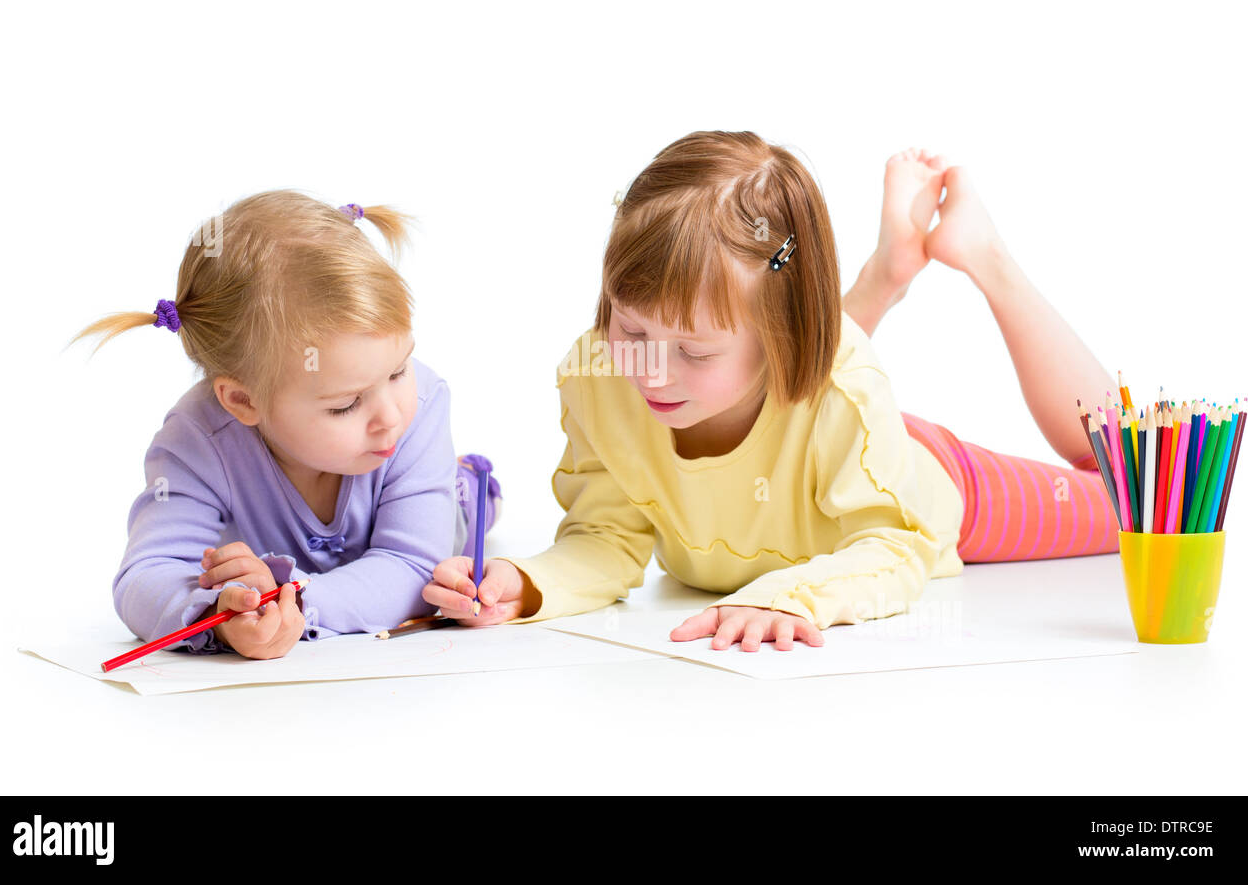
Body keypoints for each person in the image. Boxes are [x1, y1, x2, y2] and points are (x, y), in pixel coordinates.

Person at [422, 131, 1117, 652]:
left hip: (913, 473)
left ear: (781, 337)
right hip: (811, 413)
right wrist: (529, 582)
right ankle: (884, 275)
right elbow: (607, 535)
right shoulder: (598, 376)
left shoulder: (844, 388)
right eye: (629, 329)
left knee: (1133, 493)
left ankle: (984, 257)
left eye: (693, 350)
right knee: (800, 379)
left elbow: (893, 545)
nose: (650, 373)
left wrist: (794, 597)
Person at [72, 192, 500, 659]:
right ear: (242, 400)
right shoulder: (195, 443)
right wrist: (221, 613)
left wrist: (291, 600)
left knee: (465, 511)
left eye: (398, 370)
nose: (391, 417)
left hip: (445, 519)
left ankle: (469, 485)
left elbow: (411, 565)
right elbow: (146, 573)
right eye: (346, 404)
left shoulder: (421, 406)